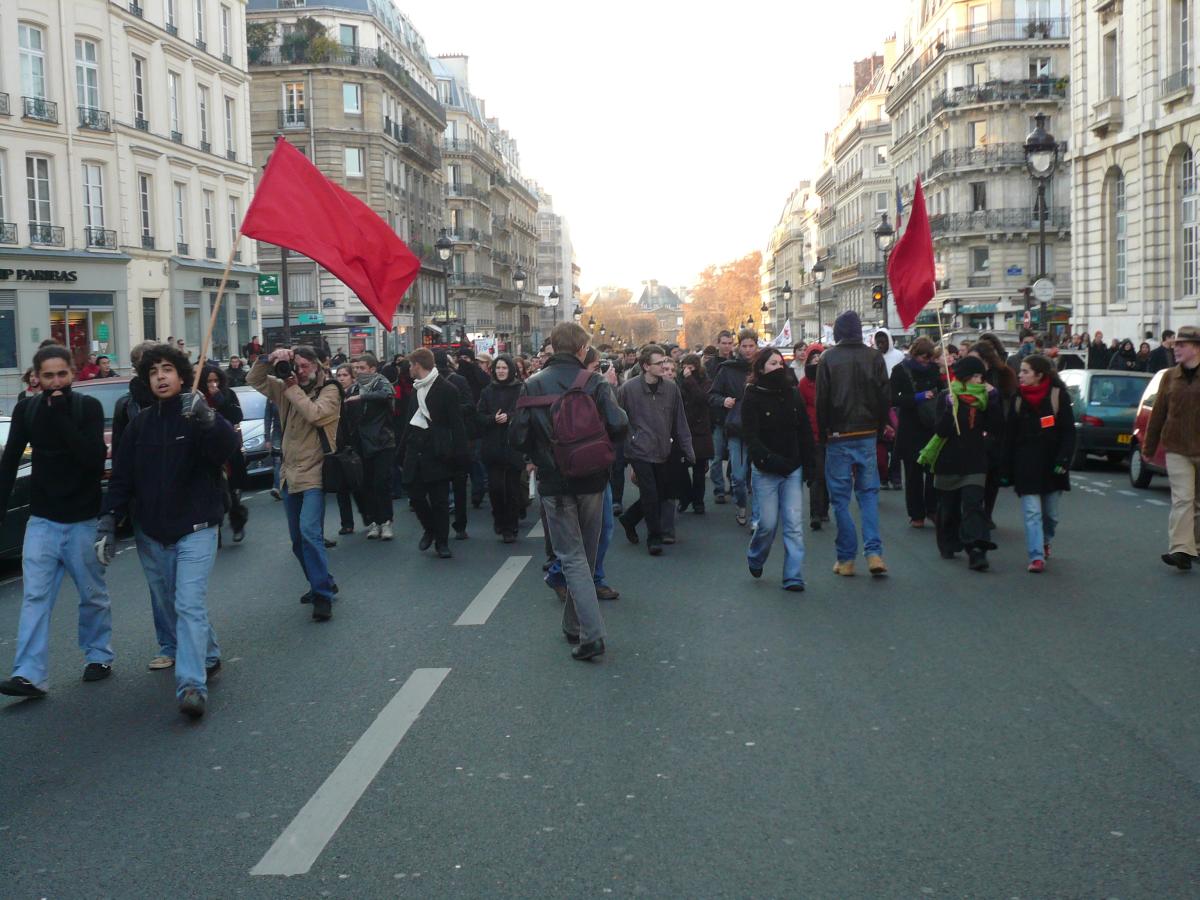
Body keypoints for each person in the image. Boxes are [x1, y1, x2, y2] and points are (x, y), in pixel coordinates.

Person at [96, 345, 238, 718]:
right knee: (172, 605)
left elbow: (228, 449)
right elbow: (122, 477)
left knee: (188, 602)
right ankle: (208, 655)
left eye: (167, 370)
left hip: (196, 527)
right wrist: (109, 519)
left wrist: (209, 419)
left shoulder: (198, 415)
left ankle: (191, 686)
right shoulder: (139, 424)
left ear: (181, 375)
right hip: (151, 532)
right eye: (153, 372)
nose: (160, 376)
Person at [510, 322, 628, 660]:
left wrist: (539, 450)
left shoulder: (531, 385)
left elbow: (516, 438)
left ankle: (592, 634)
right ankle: (573, 624)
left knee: (572, 557)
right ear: (581, 350)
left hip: (555, 481)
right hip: (592, 479)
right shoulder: (594, 382)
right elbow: (620, 424)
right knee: (585, 558)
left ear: (552, 348)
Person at [0, 346, 113, 700]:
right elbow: (9, 462)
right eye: (48, 376)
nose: (55, 382)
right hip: (43, 520)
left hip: (83, 519)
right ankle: (29, 675)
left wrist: (63, 417)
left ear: (73, 374)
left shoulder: (88, 408)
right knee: (35, 596)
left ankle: (98, 655)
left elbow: (93, 461)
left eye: (61, 374)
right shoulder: (27, 410)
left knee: (92, 595)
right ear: (37, 378)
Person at [247, 346, 341, 621]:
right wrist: (269, 359)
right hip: (289, 474)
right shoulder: (289, 387)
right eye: (294, 366)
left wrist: (290, 386)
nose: (297, 372)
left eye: (302, 366)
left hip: (315, 472)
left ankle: (323, 596)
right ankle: (320, 581)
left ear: (315, 366)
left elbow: (316, 414)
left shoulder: (331, 389)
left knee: (310, 533)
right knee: (298, 541)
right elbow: (254, 380)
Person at [816, 311, 890, 577]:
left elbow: (822, 399)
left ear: (838, 332)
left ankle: (846, 559)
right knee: (868, 494)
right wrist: (881, 427)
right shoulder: (874, 357)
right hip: (867, 431)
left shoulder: (829, 358)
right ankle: (874, 552)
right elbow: (884, 396)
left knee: (840, 499)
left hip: (838, 433)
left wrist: (824, 432)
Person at [919, 355, 1003, 571]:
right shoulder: (947, 397)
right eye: (975, 376)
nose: (980, 380)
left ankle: (976, 549)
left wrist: (994, 400)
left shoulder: (985, 399)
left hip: (975, 461)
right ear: (965, 378)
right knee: (949, 508)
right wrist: (949, 409)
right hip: (949, 461)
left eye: (981, 376)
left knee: (973, 505)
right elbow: (941, 430)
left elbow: (997, 427)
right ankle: (948, 542)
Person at [741, 347, 815, 591]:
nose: (778, 367)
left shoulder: (793, 394)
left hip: (792, 468)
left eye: (780, 363)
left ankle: (793, 575)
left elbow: (804, 431)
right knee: (768, 524)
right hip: (766, 471)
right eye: (772, 363)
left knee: (793, 524)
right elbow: (751, 438)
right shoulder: (752, 396)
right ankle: (756, 556)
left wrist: (810, 466)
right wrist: (769, 460)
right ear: (761, 368)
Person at [617, 344, 695, 555]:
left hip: (664, 449)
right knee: (650, 493)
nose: (663, 366)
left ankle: (630, 518)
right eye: (658, 363)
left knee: (661, 492)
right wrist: (629, 443)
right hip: (639, 450)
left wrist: (688, 449)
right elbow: (619, 420)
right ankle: (654, 537)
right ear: (645, 366)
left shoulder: (671, 389)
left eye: (664, 362)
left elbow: (680, 420)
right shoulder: (628, 389)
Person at [1003, 354, 1075, 573]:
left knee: (1050, 515)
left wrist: (1063, 460)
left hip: (1053, 465)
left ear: (1039, 374)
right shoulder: (1017, 399)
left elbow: (1068, 432)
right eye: (1020, 371)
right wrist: (1005, 468)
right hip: (1026, 465)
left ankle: (1045, 540)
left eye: (1025, 371)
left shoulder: (1057, 396)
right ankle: (1036, 556)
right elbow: (1009, 437)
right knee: (1032, 512)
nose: (1020, 375)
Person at [1143, 324, 1200, 570]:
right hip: (1176, 446)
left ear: (1196, 349)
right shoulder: (1169, 376)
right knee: (1183, 499)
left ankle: (1195, 545)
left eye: (1182, 345)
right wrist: (1149, 445)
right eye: (1175, 344)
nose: (1176, 348)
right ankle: (1180, 550)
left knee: (1197, 502)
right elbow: (1158, 413)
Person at [401, 349, 466, 559]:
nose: (409, 369)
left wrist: (460, 455)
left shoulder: (447, 389)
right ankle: (430, 528)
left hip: (437, 452)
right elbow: (409, 423)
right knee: (415, 495)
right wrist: (400, 452)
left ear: (418, 365)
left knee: (439, 501)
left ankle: (442, 542)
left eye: (411, 365)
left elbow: (457, 425)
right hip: (415, 451)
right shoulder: (415, 389)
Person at [344, 353, 396, 540]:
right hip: (361, 443)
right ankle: (374, 521)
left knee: (381, 482)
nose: (358, 372)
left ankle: (386, 521)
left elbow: (388, 394)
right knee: (366, 484)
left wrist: (362, 397)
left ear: (373, 369)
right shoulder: (353, 389)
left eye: (362, 368)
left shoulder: (380, 382)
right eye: (356, 368)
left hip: (382, 441)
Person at [708, 329, 757, 523]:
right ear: (739, 347)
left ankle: (759, 516)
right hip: (736, 427)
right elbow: (712, 395)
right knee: (738, 476)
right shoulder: (728, 369)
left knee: (760, 477)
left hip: (761, 428)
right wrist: (723, 400)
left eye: (751, 346)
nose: (747, 350)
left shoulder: (764, 366)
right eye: (744, 346)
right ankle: (741, 505)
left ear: (756, 346)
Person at [892, 337, 941, 528]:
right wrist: (917, 397)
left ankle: (932, 509)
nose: (926, 361)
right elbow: (893, 398)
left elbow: (942, 390)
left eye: (929, 358)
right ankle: (916, 513)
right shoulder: (900, 370)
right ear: (914, 353)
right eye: (923, 357)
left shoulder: (934, 369)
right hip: (911, 427)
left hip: (930, 426)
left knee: (932, 472)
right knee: (913, 474)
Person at [476, 354, 524, 542]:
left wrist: (510, 417)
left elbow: (524, 412)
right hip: (493, 444)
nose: (501, 371)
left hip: (513, 445)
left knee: (512, 488)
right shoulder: (487, 391)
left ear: (510, 369)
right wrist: (492, 419)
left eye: (504, 368)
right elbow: (479, 415)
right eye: (498, 368)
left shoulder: (520, 389)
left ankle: (511, 526)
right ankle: (499, 519)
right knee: (495, 488)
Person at [201, 365, 248, 543]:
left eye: (216, 380)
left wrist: (220, 399)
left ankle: (238, 524)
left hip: (227, 449)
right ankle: (216, 530)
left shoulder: (228, 394)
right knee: (213, 492)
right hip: (208, 451)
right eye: (209, 381)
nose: (213, 384)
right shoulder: (198, 398)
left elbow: (237, 416)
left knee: (232, 491)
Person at [434, 349, 475, 539]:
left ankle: (459, 524)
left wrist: (449, 410)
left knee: (455, 486)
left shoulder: (457, 380)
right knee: (449, 487)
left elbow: (469, 406)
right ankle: (455, 526)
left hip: (453, 439)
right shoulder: (424, 384)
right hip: (445, 441)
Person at [796, 343, 829, 530]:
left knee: (828, 475)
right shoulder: (803, 383)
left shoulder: (831, 379)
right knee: (817, 474)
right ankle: (815, 513)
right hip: (813, 433)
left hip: (831, 433)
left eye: (820, 358)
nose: (817, 362)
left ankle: (824, 508)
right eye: (813, 358)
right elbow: (800, 409)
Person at [678, 353, 713, 515]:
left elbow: (702, 398)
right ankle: (685, 497)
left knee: (699, 471)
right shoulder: (679, 383)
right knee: (681, 470)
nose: (687, 371)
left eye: (691, 369)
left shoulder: (705, 382)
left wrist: (690, 381)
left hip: (699, 431)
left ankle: (698, 501)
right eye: (685, 368)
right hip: (684, 429)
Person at [333, 365, 358, 536]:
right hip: (338, 446)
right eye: (339, 375)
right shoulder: (332, 396)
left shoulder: (357, 395)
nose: (341, 378)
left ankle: (369, 516)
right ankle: (347, 523)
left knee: (358, 484)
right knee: (341, 487)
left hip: (355, 444)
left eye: (345, 375)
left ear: (352, 377)